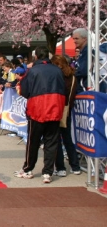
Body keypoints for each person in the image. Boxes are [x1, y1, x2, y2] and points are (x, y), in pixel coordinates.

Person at [14, 47, 65, 184]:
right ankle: (47, 172)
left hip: (37, 109)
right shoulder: (57, 70)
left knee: (33, 141)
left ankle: (28, 169)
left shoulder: (33, 71)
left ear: (36, 56)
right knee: (51, 142)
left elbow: (24, 91)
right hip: (55, 107)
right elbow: (63, 89)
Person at [50, 55, 81, 176]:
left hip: (57, 109)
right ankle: (75, 166)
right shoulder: (73, 76)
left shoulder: (58, 76)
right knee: (68, 139)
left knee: (56, 139)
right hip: (67, 110)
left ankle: (61, 168)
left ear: (58, 65)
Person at [72, 28, 89, 93]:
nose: (74, 41)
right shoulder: (82, 53)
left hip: (84, 89)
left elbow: (83, 71)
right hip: (80, 87)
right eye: (74, 39)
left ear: (84, 39)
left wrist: (71, 73)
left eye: (77, 38)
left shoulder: (87, 52)